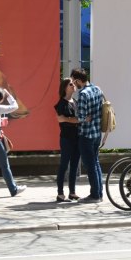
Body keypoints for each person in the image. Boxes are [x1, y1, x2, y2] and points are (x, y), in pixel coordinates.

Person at [70, 68, 104, 203]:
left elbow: (81, 116)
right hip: (97, 133)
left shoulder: (83, 94)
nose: (74, 84)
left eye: (73, 81)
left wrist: (80, 118)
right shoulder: (97, 89)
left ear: (78, 80)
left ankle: (95, 195)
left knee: (90, 165)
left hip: (86, 134)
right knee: (95, 163)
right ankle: (99, 193)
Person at [54, 78, 83, 202]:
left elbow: (66, 119)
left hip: (77, 137)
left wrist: (70, 119)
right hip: (66, 138)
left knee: (75, 166)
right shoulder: (61, 103)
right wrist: (77, 120)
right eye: (70, 84)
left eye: (73, 84)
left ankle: (72, 192)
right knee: (64, 165)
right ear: (65, 87)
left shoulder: (75, 102)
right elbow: (61, 119)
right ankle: (60, 193)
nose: (73, 85)